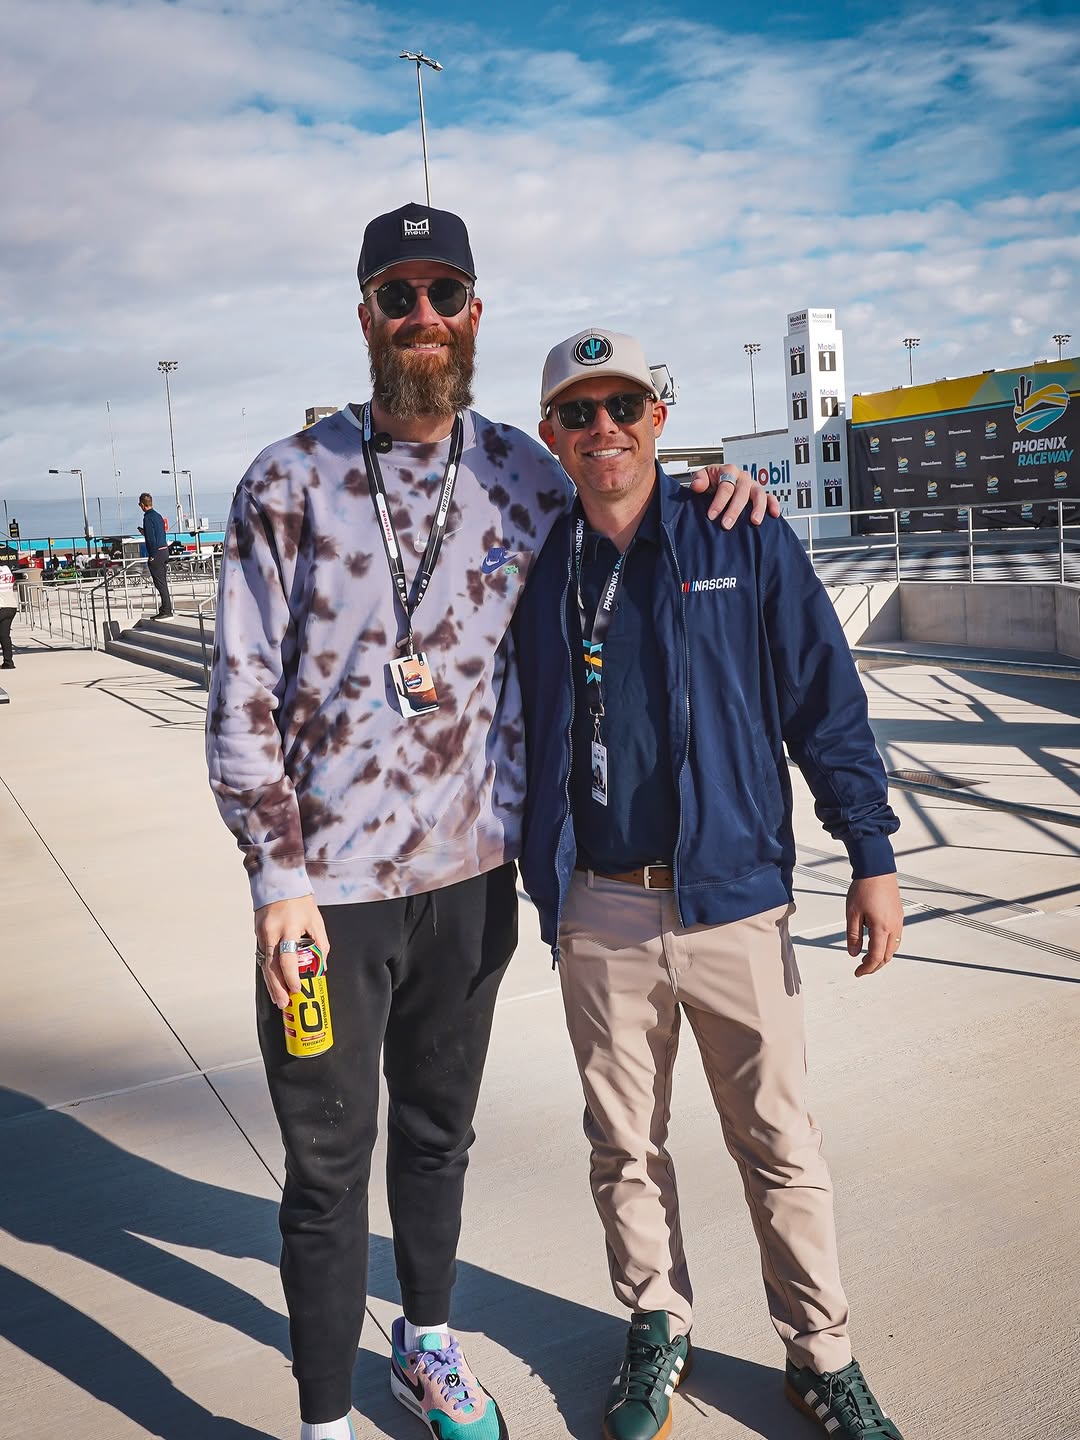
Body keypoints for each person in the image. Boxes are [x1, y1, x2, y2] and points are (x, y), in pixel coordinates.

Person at [206, 203, 777, 1440]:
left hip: (471, 882)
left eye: (445, 292)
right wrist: (276, 881)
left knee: (436, 1137)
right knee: (325, 1165)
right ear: (367, 314)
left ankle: (427, 1345)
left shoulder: (524, 470)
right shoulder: (287, 480)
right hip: (329, 897)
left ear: (476, 313)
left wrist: (721, 485)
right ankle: (323, 1423)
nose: (423, 315)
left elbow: (626, 500)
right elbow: (240, 692)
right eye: (398, 293)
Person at [514, 328, 906, 1440]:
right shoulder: (537, 566)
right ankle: (657, 1326)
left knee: (779, 1143)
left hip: (734, 897)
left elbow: (824, 700)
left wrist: (870, 853)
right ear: (552, 436)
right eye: (578, 414)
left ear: (659, 416)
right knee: (624, 1145)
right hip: (600, 905)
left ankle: (820, 1355)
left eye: (623, 406)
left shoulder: (739, 529)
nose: (604, 430)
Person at [138, 492, 174, 617]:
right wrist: (145, 532)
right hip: (164, 550)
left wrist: (152, 554)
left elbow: (151, 538)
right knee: (163, 582)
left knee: (160, 583)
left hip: (157, 553)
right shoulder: (158, 516)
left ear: (142, 505)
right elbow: (158, 534)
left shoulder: (147, 517)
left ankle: (166, 610)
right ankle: (166, 608)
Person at [0, 563, 17, 669]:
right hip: (11, 606)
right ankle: (8, 662)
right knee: (4, 635)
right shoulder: (6, 569)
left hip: (1, 606)